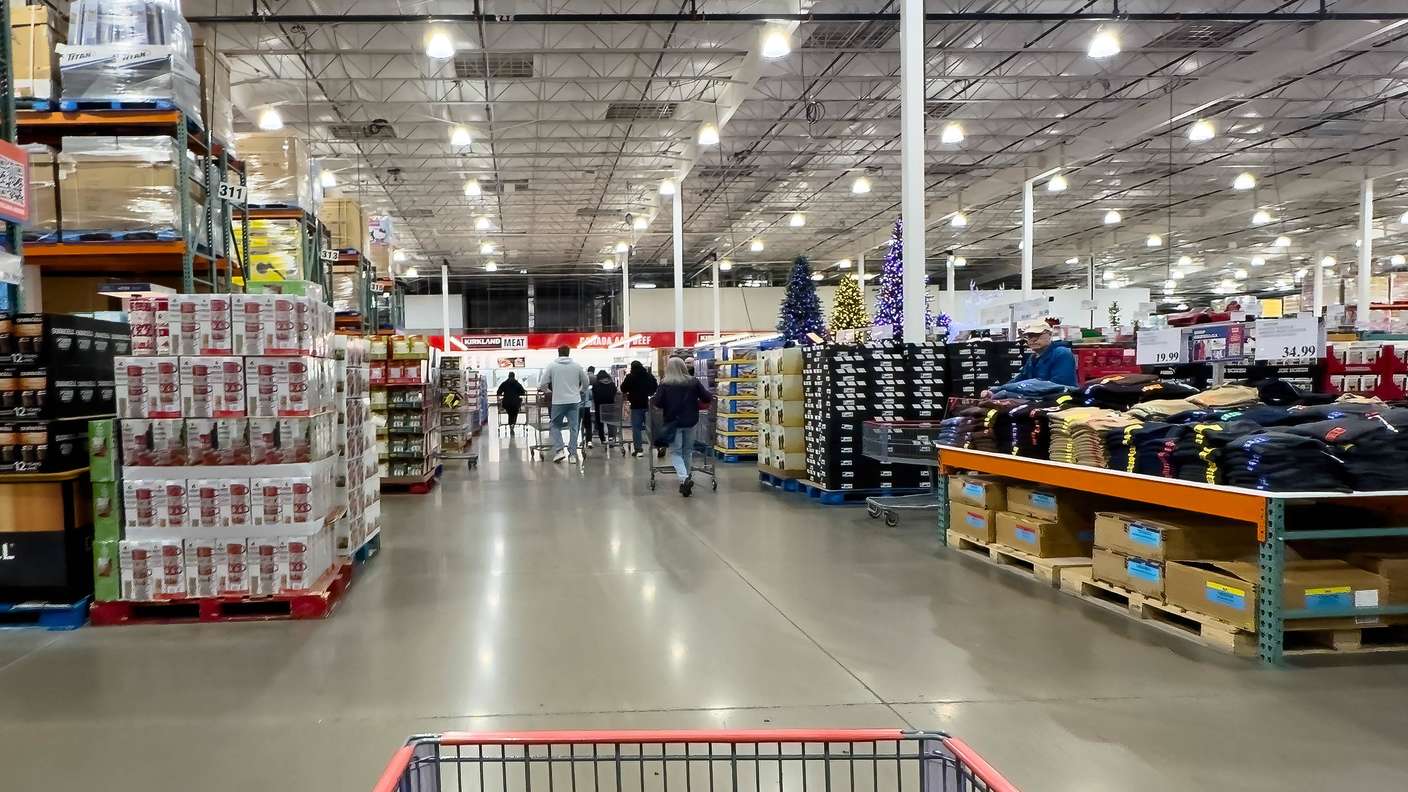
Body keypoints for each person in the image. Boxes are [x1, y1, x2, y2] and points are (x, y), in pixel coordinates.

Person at [650, 356, 713, 497]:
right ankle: (686, 477)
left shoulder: (665, 384)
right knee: (687, 450)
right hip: (691, 421)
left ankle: (684, 479)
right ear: (684, 367)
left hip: (673, 422)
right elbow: (707, 397)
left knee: (676, 452)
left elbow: (658, 403)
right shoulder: (693, 382)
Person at [982, 320, 1078, 397]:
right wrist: (995, 391)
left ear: (1049, 335)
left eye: (1037, 335)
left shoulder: (1062, 353)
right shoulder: (1033, 358)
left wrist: (1001, 391)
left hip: (1062, 399)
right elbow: (1020, 379)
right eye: (1029, 336)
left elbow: (1056, 385)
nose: (1033, 339)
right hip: (1041, 398)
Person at [543, 345, 590, 463]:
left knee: (554, 425)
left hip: (558, 401)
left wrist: (550, 392)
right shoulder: (577, 366)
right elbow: (586, 382)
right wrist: (580, 391)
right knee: (574, 427)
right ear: (569, 353)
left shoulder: (552, 366)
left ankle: (559, 450)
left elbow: (542, 384)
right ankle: (573, 455)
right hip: (574, 401)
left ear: (558, 353)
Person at [619, 360, 657, 457]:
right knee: (651, 427)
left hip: (636, 405)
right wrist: (649, 393)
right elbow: (655, 387)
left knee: (636, 428)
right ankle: (657, 446)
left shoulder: (630, 377)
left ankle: (639, 450)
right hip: (648, 404)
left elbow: (623, 388)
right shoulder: (648, 376)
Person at [590, 369, 618, 445]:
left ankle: (602, 439)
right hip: (610, 406)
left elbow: (593, 395)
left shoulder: (595, 385)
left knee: (599, 423)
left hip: (599, 407)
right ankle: (611, 438)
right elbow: (615, 393)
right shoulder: (612, 384)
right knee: (610, 423)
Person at [580, 366, 596, 448]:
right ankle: (589, 441)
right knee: (588, 424)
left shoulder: (574, 387)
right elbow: (591, 396)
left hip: (578, 407)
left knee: (578, 425)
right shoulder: (586, 387)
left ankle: (580, 439)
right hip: (587, 407)